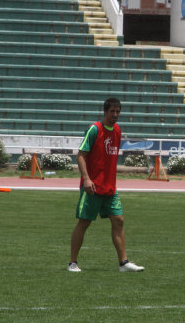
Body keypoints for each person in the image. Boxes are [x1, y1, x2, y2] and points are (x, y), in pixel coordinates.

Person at [68, 98, 144, 273]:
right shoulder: (94, 129)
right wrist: (86, 179)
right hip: (92, 187)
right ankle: (72, 263)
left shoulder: (117, 130)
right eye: (112, 111)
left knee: (119, 220)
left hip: (110, 187)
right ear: (105, 111)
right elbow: (81, 155)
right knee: (84, 222)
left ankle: (124, 263)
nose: (115, 115)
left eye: (118, 112)